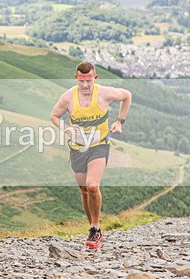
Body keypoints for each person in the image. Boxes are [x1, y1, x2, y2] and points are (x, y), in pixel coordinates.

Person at [50, 62, 132, 249]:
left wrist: (120, 122)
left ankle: (95, 229)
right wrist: (66, 129)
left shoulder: (104, 93)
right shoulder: (68, 97)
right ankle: (92, 227)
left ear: (94, 78)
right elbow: (54, 116)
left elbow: (127, 96)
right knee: (84, 190)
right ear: (76, 78)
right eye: (81, 81)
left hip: (99, 145)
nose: (85, 85)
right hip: (78, 148)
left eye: (88, 81)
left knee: (92, 186)